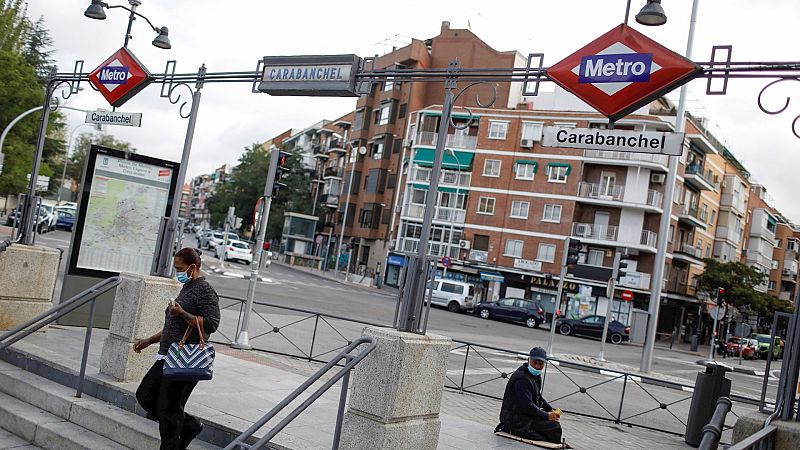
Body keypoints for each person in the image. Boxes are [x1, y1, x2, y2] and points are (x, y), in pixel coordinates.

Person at [134, 248, 221, 450]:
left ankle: (176, 440)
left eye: (180, 268)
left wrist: (182, 313)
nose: (177, 273)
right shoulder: (188, 287)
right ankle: (189, 425)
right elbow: (173, 327)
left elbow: (211, 324)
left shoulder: (205, 290)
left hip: (185, 358)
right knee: (145, 395)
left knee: (169, 410)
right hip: (168, 355)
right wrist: (149, 340)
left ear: (193, 267)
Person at [497, 347, 562, 443]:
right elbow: (527, 406)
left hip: (527, 416)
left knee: (553, 425)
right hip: (516, 420)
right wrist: (547, 415)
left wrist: (549, 409)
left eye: (540, 364)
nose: (537, 366)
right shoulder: (522, 378)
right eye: (534, 362)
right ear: (529, 360)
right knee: (553, 428)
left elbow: (538, 396)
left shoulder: (535, 376)